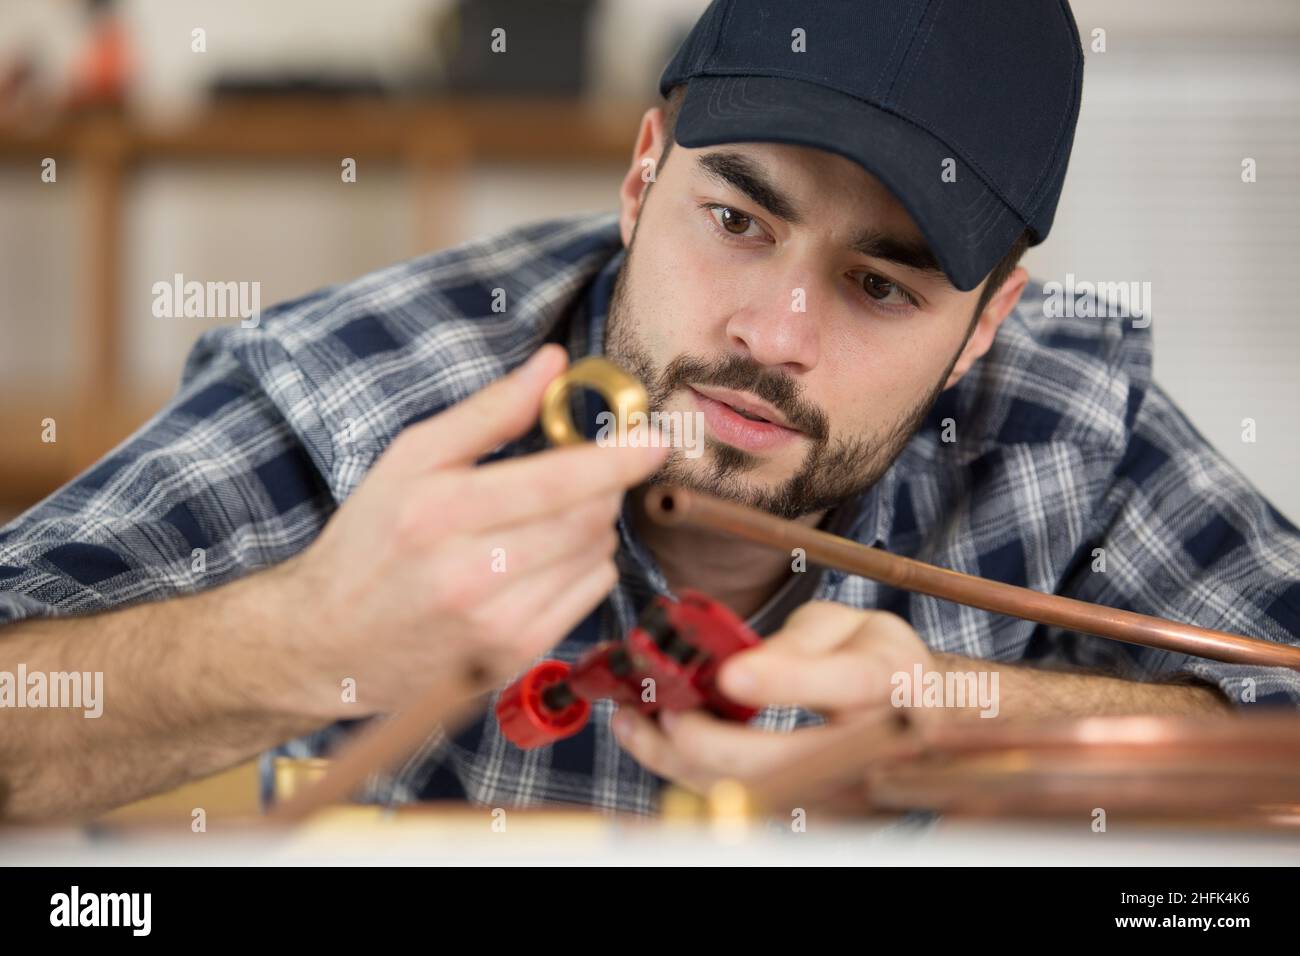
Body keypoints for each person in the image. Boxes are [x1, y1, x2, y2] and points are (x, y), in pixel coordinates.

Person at [1, 0, 1296, 821]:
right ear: (639, 180)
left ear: (984, 330)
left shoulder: (1068, 419)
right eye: (737, 220)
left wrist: (971, 715)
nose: (771, 340)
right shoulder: (365, 385)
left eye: (880, 285)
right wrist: (301, 637)